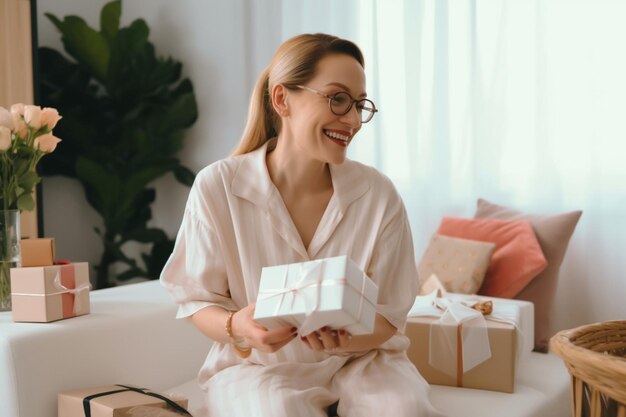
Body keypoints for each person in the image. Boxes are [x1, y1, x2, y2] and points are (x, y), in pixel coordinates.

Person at [160, 33, 444, 417]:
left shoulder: (379, 194)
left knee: (401, 409)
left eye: (359, 104)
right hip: (257, 366)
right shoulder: (218, 186)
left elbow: (390, 315)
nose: (353, 120)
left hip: (363, 361)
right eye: (338, 99)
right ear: (282, 99)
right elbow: (195, 298)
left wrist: (347, 341)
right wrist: (237, 326)